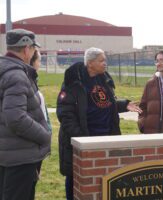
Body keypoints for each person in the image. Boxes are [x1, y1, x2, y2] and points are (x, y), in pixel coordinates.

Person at [56, 47, 141, 200]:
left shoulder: (103, 79)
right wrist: (82, 139)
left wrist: (123, 105)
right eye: (101, 60)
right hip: (84, 140)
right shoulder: (73, 82)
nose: (105, 63)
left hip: (105, 139)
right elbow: (65, 114)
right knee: (76, 178)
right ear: (90, 63)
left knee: (102, 178)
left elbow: (106, 102)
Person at [0, 29, 51, 200]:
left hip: (8, 154)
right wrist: (44, 135)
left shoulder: (6, 70)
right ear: (27, 49)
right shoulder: (16, 75)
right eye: (34, 49)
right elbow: (15, 118)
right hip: (19, 158)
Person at [29, 49, 52, 200]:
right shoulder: (24, 83)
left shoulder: (32, 82)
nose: (40, 63)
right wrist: (44, 135)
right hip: (30, 148)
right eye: (39, 60)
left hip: (37, 146)